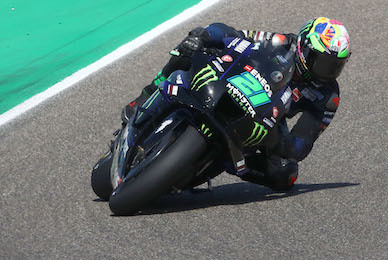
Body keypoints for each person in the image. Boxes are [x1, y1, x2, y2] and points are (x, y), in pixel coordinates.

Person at [120, 17, 351, 191]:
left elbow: (302, 144)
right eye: (323, 63)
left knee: (285, 175)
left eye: (335, 66)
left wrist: (277, 141)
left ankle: (227, 161)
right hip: (234, 84)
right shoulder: (280, 42)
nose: (328, 72)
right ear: (305, 49)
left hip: (268, 118)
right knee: (191, 47)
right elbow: (233, 34)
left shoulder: (328, 96)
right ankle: (147, 94)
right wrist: (205, 37)